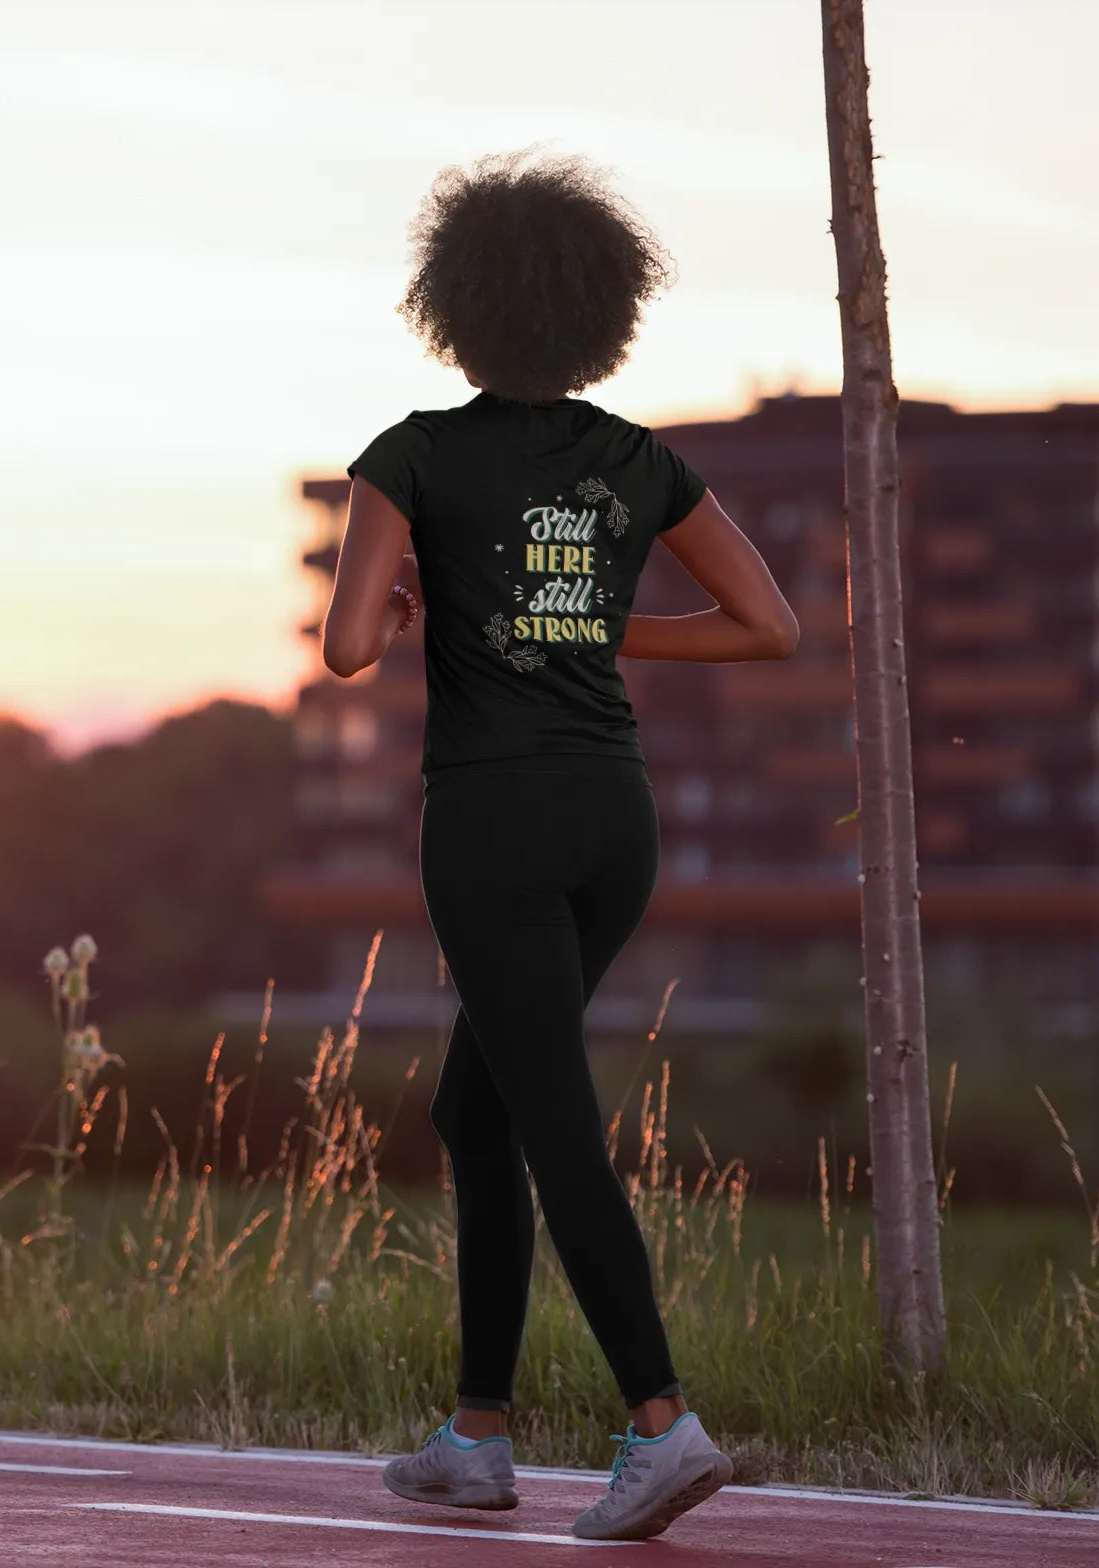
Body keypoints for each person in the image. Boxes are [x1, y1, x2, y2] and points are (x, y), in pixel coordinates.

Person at [320, 147, 798, 1543]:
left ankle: (663, 1423)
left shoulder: (410, 453)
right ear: (601, 311)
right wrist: (588, 622)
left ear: (453, 308)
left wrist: (421, 606)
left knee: (551, 1126)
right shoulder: (638, 461)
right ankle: (476, 1434)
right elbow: (767, 626)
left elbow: (347, 649)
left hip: (493, 824)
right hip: (615, 823)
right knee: (478, 1113)